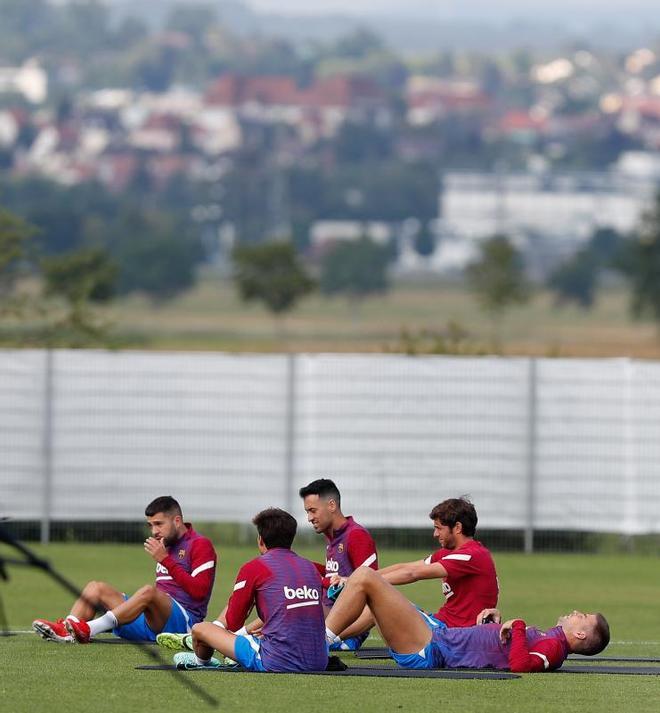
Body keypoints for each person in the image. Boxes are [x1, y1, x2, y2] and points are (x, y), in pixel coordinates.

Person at [324, 567, 610, 672]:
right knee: (379, 598)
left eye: (581, 616)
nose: (575, 612)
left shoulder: (554, 649)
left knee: (365, 578)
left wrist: (518, 625)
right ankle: (334, 641)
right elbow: (502, 651)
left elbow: (521, 665)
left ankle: (317, 644)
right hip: (441, 637)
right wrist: (495, 625)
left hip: (432, 648)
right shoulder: (550, 641)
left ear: (582, 635)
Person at [161, 507, 328, 672]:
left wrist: (251, 600)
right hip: (320, 661)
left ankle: (202, 661)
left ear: (260, 540)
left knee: (200, 629)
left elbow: (233, 622)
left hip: (277, 661)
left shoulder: (254, 567)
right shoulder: (310, 567)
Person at [32, 495, 217, 644]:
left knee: (148, 592)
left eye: (159, 524)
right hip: (152, 623)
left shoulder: (200, 545)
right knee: (96, 588)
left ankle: (88, 629)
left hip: (183, 624)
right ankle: (67, 630)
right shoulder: (166, 544)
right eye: (150, 525)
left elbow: (199, 592)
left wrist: (165, 560)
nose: (154, 531)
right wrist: (165, 557)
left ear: (177, 521)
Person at [335, 497, 498, 640]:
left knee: (380, 604)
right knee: (382, 602)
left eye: (439, 528)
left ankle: (324, 640)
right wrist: (356, 579)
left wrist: (366, 581)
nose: (435, 534)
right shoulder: (453, 553)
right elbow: (406, 566)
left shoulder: (471, 555)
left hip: (453, 634)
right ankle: (330, 638)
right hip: (442, 623)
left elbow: (413, 573)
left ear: (457, 528)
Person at [299, 478, 378, 650]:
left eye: (313, 511)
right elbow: (333, 575)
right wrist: (302, 566)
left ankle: (242, 635)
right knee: (289, 579)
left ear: (332, 505)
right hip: (330, 614)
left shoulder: (357, 535)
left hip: (345, 627)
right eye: (307, 512)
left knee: (294, 598)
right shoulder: (333, 537)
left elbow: (373, 586)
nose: (309, 518)